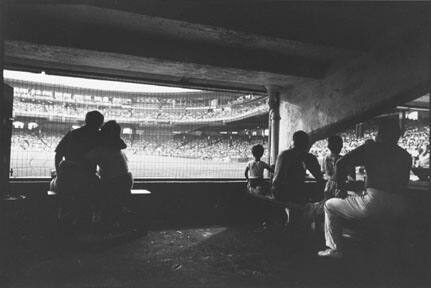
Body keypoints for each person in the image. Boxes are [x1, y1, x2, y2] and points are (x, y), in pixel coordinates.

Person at [318, 120, 412, 258]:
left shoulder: (372, 148)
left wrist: (341, 187)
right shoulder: (405, 155)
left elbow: (341, 163)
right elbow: (402, 184)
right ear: (397, 136)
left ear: (379, 134)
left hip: (374, 202)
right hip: (399, 204)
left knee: (330, 205)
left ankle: (334, 249)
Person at [54, 111, 104, 226]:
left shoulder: (72, 134)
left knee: (66, 198)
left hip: (68, 176)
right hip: (88, 178)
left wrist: (58, 173)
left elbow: (58, 155)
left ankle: (64, 221)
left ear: (86, 120)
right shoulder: (100, 137)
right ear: (100, 123)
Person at [86, 120, 132, 230]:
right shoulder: (118, 150)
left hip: (113, 183)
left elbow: (86, 161)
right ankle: (114, 217)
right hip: (126, 181)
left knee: (90, 188)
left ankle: (97, 220)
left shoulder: (100, 150)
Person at [272, 130, 324, 204]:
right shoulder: (307, 157)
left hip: (277, 191)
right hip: (290, 193)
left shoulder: (283, 154)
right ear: (306, 144)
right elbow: (319, 177)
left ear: (293, 142)